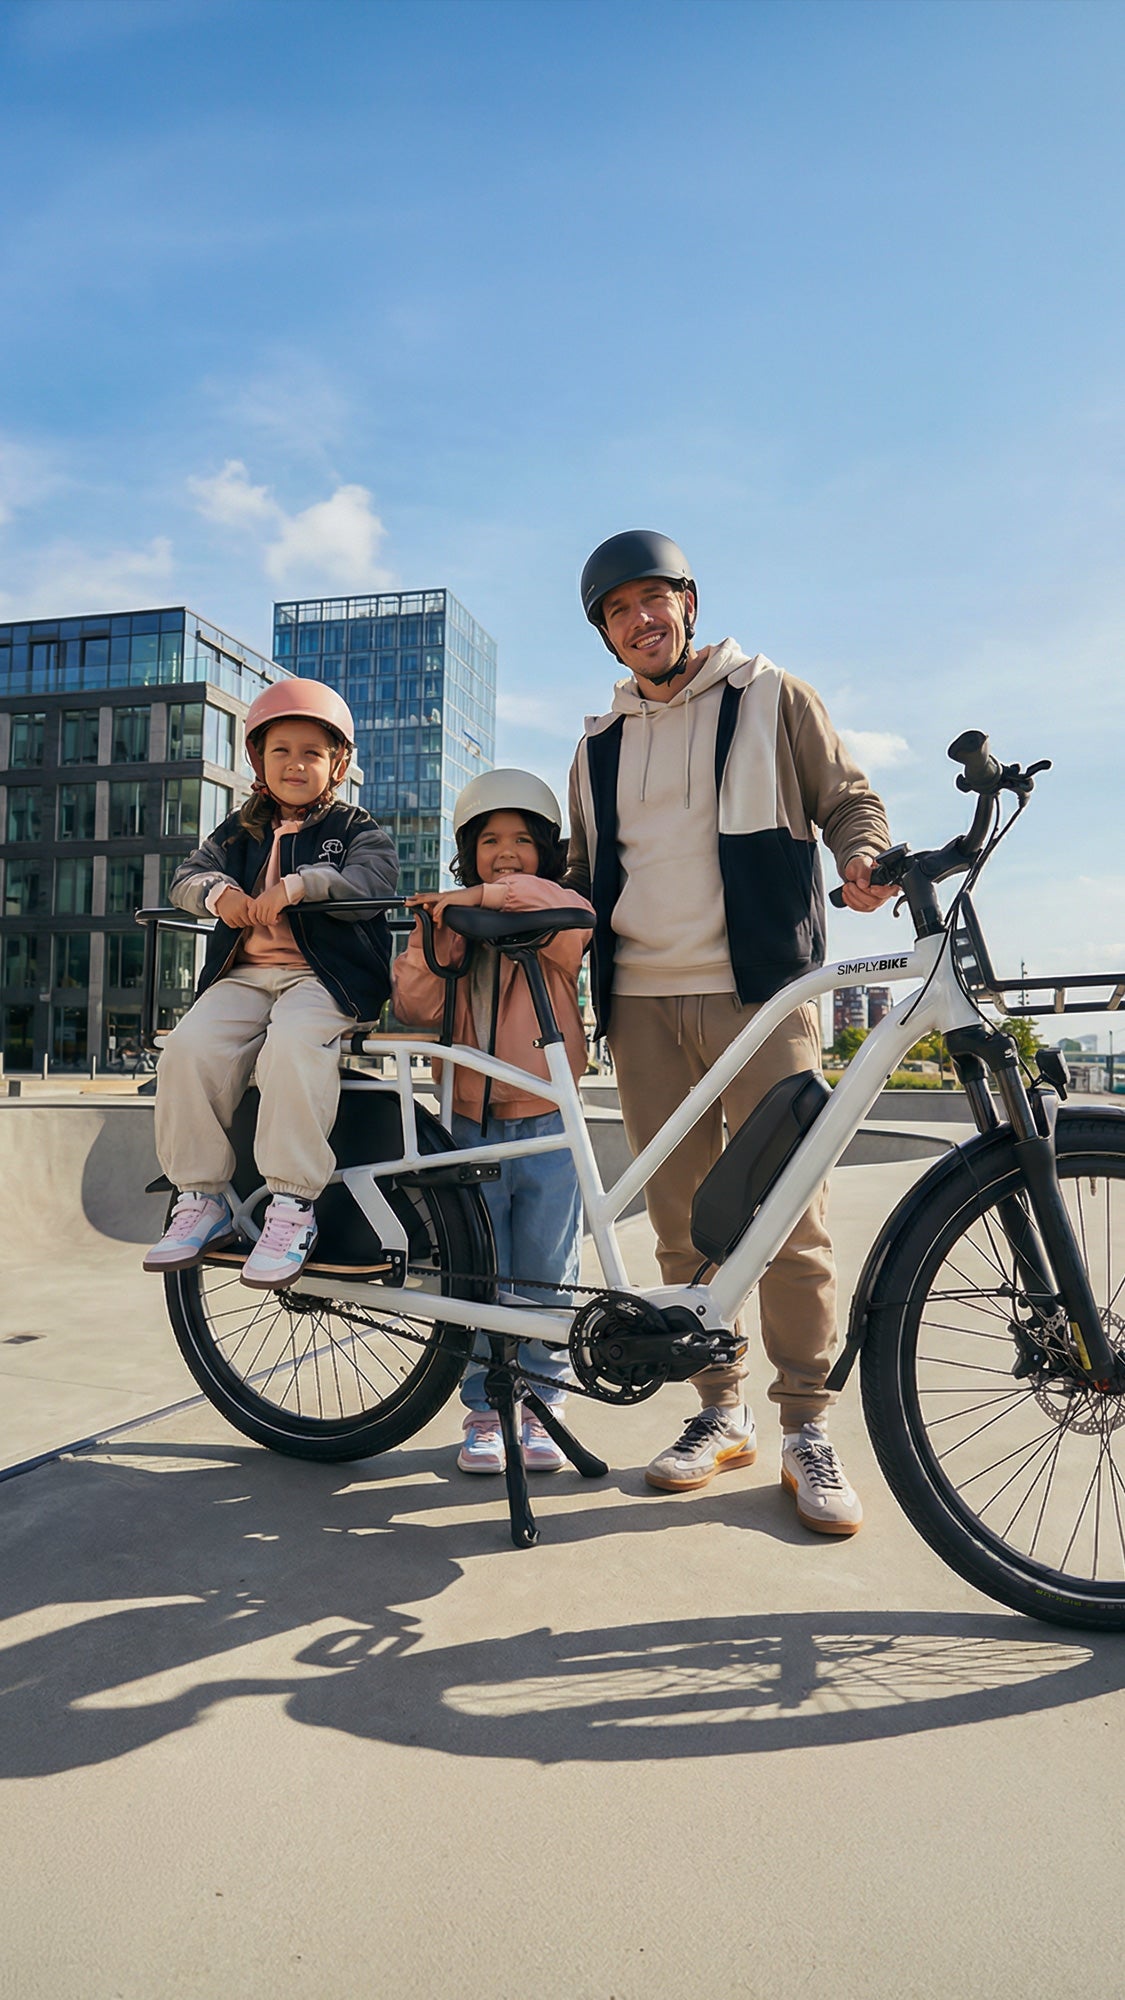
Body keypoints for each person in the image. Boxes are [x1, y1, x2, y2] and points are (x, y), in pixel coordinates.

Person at [566, 530, 896, 1534]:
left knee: (792, 1216)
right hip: (642, 1006)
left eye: (652, 600)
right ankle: (720, 1411)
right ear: (607, 632)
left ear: (689, 603)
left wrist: (867, 858)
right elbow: (583, 876)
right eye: (617, 611)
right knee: (680, 1224)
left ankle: (806, 1423)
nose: (639, 621)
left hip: (760, 997)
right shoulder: (597, 742)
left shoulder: (771, 696)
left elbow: (850, 799)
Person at [144, 679, 398, 1289]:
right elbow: (187, 878)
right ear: (259, 760)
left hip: (322, 977)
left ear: (336, 763)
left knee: (291, 1048)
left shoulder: (356, 827)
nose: (295, 764)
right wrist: (218, 893)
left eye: (311, 752)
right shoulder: (239, 832)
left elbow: (373, 878)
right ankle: (200, 1196)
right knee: (187, 1049)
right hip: (247, 976)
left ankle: (292, 1204)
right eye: (280, 751)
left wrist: (304, 884)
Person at [393, 769, 594, 1477]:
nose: (504, 852)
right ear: (465, 849)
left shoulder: (557, 914)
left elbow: (555, 906)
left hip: (544, 1120)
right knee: (478, 1273)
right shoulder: (456, 924)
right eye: (487, 842)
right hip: (467, 1123)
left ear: (544, 848)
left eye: (519, 840)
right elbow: (415, 1007)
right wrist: (433, 934)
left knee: (544, 1270)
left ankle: (542, 1399)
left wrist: (477, 899)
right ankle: (484, 1405)